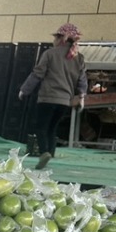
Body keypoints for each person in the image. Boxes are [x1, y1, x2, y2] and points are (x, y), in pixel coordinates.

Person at [19, 23, 87, 170]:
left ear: (60, 38)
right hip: (64, 101)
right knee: (52, 128)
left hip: (47, 98)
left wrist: (24, 90)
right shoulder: (79, 58)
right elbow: (82, 80)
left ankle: (44, 153)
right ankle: (51, 153)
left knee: (41, 127)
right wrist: (81, 97)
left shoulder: (50, 54)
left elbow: (37, 74)